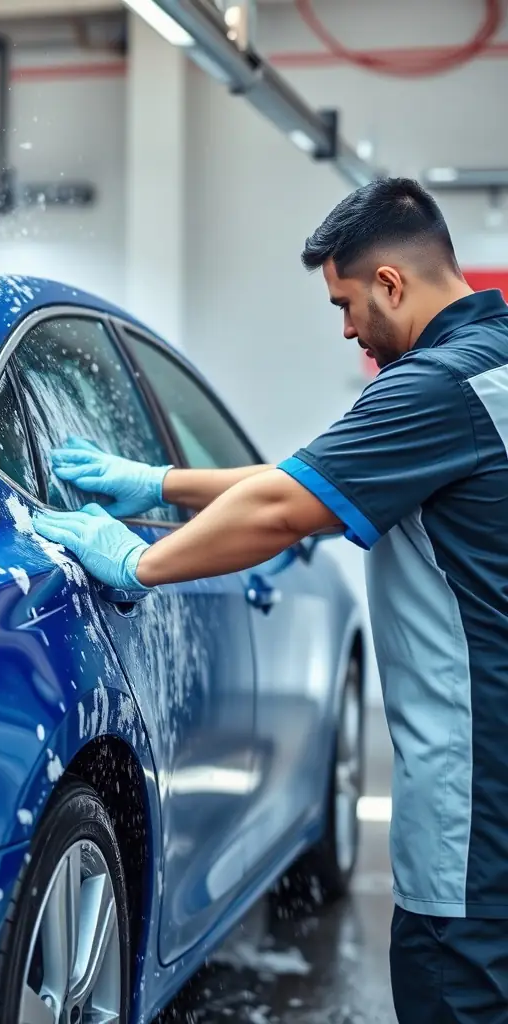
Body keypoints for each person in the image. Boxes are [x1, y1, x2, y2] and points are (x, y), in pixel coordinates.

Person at [33, 177, 508, 1024]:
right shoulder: (488, 366)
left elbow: (288, 509)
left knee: (453, 990)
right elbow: (313, 479)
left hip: (478, 797)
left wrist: (138, 562)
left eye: (347, 302)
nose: (348, 329)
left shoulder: (432, 388)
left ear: (390, 283)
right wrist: (156, 482)